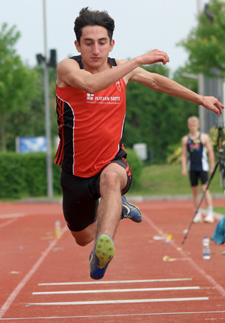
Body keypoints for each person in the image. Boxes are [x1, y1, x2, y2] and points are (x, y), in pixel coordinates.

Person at [54, 7, 223, 280]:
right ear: (77, 45)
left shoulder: (122, 69)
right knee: (82, 236)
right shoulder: (68, 68)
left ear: (111, 44)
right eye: (88, 43)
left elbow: (156, 81)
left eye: (102, 42)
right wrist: (137, 60)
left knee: (111, 179)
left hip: (112, 161)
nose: (96, 50)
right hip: (75, 172)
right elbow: (92, 85)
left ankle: (102, 252)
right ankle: (117, 210)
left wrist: (200, 98)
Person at [181, 116, 215, 223]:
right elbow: (183, 155)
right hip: (192, 168)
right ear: (188, 126)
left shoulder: (203, 137)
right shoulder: (186, 139)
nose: (193, 128)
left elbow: (210, 151)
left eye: (194, 126)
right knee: (195, 191)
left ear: (198, 126)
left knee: (205, 189)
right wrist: (184, 168)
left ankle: (210, 213)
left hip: (203, 167)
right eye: (191, 126)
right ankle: (197, 213)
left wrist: (212, 166)